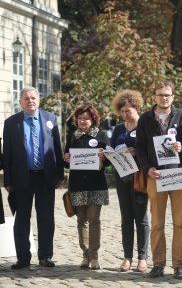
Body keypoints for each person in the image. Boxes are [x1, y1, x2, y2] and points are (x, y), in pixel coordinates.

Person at [135, 81, 182, 279]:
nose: (164, 98)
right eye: (160, 95)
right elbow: (140, 149)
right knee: (157, 223)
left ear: (173, 97)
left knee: (180, 223)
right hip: (156, 175)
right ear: (154, 97)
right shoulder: (145, 119)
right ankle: (158, 264)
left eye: (167, 95)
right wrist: (147, 168)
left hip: (178, 175)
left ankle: (179, 265)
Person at [3, 86, 64, 269]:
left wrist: (59, 174)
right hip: (21, 178)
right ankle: (23, 258)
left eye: (33, 98)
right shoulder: (11, 122)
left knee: (46, 218)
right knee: (21, 219)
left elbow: (57, 148)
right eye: (26, 98)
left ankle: (45, 256)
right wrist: (7, 180)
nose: (30, 101)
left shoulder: (50, 119)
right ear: (21, 102)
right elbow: (7, 154)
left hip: (45, 177)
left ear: (39, 100)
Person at [63, 104, 109, 270]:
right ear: (76, 120)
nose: (83, 121)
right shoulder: (72, 136)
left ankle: (94, 255)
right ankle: (85, 254)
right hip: (77, 184)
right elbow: (67, 161)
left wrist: (104, 157)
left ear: (93, 119)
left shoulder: (102, 135)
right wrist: (66, 158)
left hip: (96, 184)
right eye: (80, 118)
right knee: (81, 220)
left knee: (94, 219)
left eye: (86, 118)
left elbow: (110, 161)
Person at [110, 90, 149, 272]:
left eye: (129, 110)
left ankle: (142, 257)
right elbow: (110, 148)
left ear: (137, 108)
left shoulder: (145, 126)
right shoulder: (118, 128)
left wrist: (137, 152)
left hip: (139, 177)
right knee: (126, 217)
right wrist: (107, 153)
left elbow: (151, 150)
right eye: (123, 111)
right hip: (121, 177)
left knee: (140, 217)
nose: (126, 114)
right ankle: (127, 257)